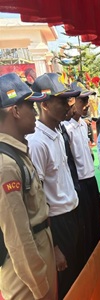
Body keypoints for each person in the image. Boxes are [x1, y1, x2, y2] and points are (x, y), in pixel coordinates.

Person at [0, 73, 57, 299]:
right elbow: (18, 239)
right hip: (27, 281)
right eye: (30, 107)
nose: (35, 113)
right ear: (14, 111)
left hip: (39, 257)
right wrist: (40, 287)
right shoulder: (5, 165)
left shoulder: (18, 153)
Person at [27, 73, 82, 299]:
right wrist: (55, 246)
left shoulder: (58, 131)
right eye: (62, 101)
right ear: (45, 104)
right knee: (66, 284)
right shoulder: (37, 143)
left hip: (72, 214)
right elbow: (37, 199)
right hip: (58, 223)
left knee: (78, 276)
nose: (67, 106)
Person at [64, 82, 100, 260]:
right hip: (79, 183)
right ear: (71, 101)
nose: (87, 104)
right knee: (85, 224)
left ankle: (99, 253)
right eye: (83, 100)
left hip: (91, 178)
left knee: (95, 220)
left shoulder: (82, 125)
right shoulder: (66, 128)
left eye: (87, 99)